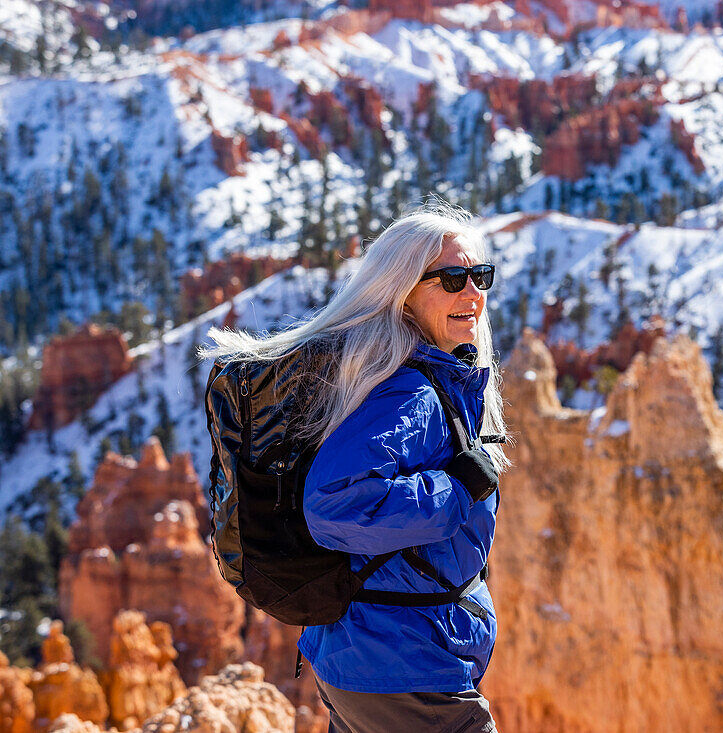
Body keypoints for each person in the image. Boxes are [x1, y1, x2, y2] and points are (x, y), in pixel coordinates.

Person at [203, 203, 508, 732]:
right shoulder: (407, 393)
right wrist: (458, 487)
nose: (472, 293)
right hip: (398, 661)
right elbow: (335, 503)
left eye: (480, 275)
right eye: (452, 278)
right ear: (402, 290)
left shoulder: (411, 374)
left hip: (373, 654)